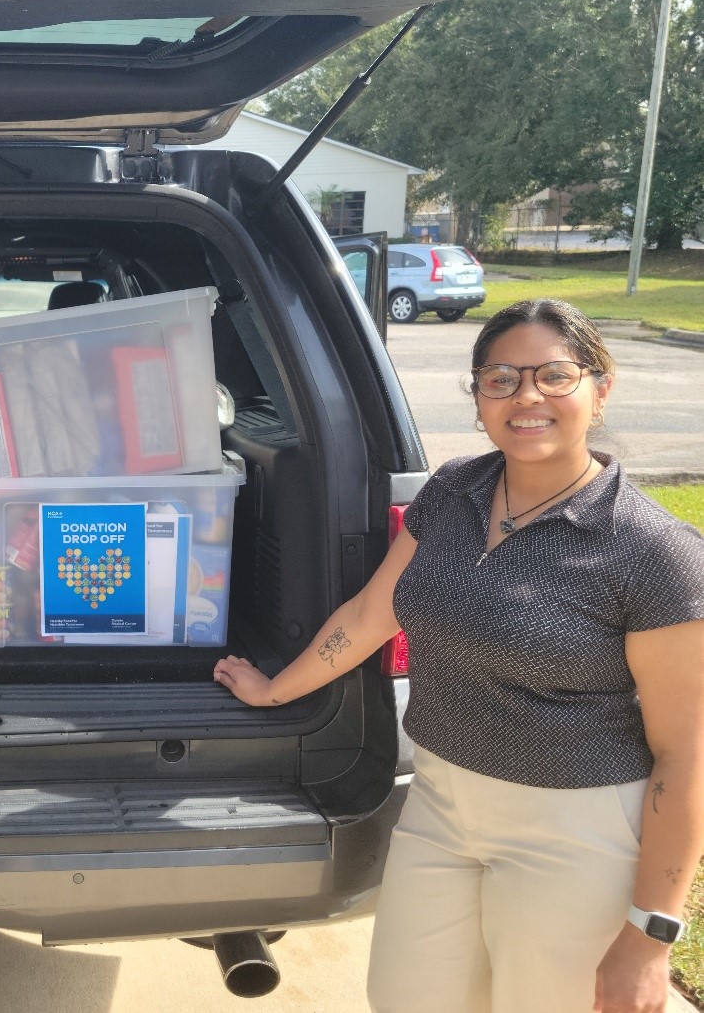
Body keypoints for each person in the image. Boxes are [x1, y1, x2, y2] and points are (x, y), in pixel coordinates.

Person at [214, 299, 704, 1013]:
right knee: (406, 999)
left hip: (575, 833)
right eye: (501, 379)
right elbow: (371, 613)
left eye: (554, 376)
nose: (527, 396)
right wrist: (276, 690)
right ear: (478, 400)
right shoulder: (453, 491)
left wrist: (651, 934)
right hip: (442, 810)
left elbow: (686, 756)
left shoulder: (652, 551)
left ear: (600, 390)